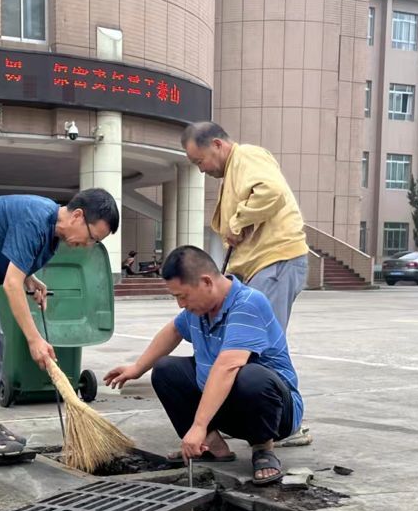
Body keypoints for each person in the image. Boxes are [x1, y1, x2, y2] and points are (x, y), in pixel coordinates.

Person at [0, 189, 120, 454]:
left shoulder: (51, 231)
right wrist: (34, 339)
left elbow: (14, 257)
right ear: (77, 215)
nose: (88, 245)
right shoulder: (35, 220)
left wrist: (30, 278)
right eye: (92, 237)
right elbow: (10, 285)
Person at [105, 245, 302, 485]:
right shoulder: (199, 309)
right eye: (176, 297)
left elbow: (228, 366)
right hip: (228, 405)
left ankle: (263, 448)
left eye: (183, 296)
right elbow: (174, 330)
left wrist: (198, 425)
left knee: (251, 376)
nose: (180, 304)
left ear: (207, 282)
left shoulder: (248, 303)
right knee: (166, 369)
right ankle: (212, 446)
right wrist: (137, 369)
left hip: (275, 412)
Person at [181, 120, 312, 447]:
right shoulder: (233, 172)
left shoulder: (248, 157)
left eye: (200, 161)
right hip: (254, 266)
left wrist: (238, 221)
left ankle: (281, 426)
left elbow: (272, 191)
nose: (201, 170)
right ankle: (244, 417)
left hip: (275, 260)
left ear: (217, 145)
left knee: (258, 348)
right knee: (242, 345)